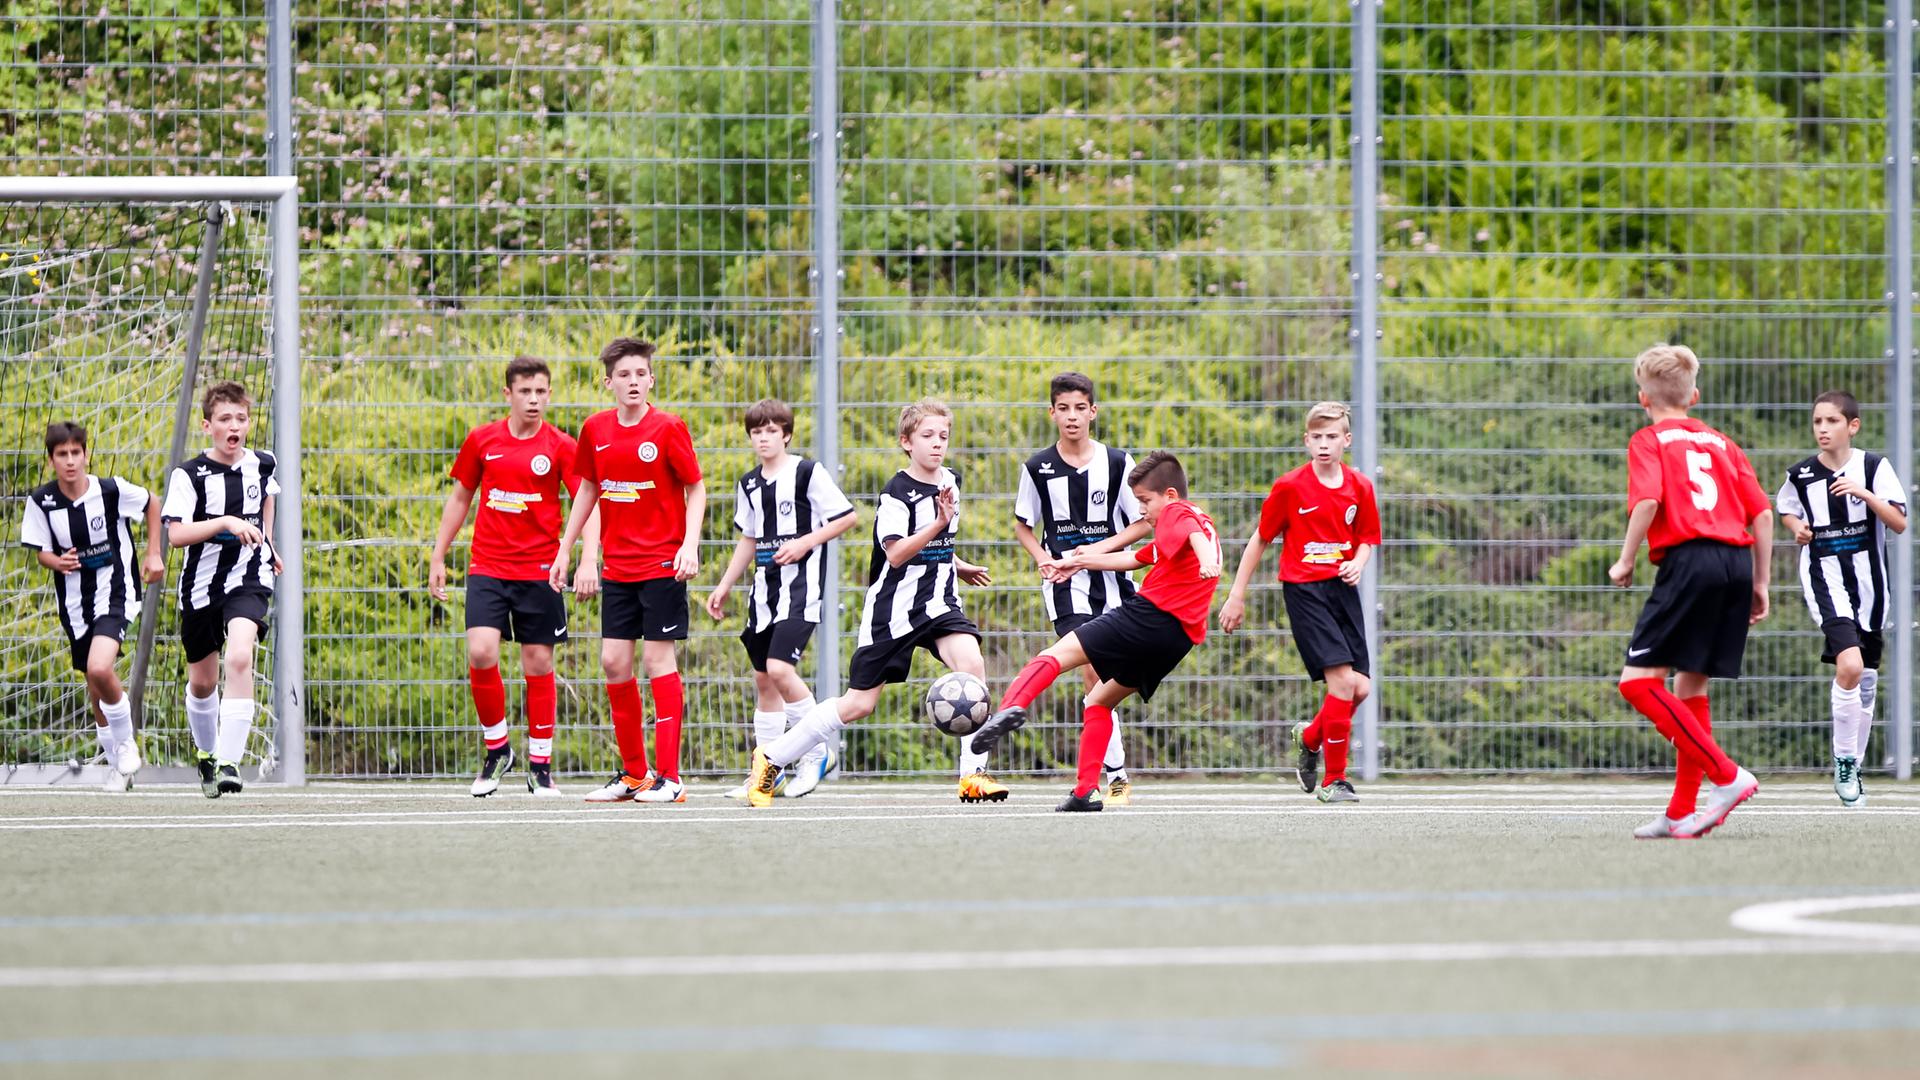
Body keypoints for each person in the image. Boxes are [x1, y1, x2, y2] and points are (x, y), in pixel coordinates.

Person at [741, 398, 1000, 808]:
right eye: (927, 436)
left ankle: (973, 775)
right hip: (892, 611)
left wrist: (959, 563)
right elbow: (896, 554)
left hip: (939, 603)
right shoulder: (895, 495)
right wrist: (937, 524)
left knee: (972, 667)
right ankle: (771, 757)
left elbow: (939, 544)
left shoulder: (951, 481)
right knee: (859, 703)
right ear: (906, 442)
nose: (937, 444)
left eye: (943, 436)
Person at [969, 451, 1221, 812]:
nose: (1142, 512)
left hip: (1148, 618)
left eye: (1145, 502)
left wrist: (1208, 561)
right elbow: (1136, 558)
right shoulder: (1201, 519)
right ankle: (1086, 791)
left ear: (1169, 495)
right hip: (1177, 639)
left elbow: (1191, 534)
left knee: (1053, 656)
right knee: (1099, 701)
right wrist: (1079, 562)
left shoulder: (1179, 514)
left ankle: (1010, 708)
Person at [1606, 344, 1768, 840]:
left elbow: (1649, 500)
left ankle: (1725, 775)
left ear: (1642, 398)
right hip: (1735, 562)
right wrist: (1761, 582)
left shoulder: (1650, 439)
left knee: (1637, 683)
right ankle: (1680, 811)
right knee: (1689, 687)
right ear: (1693, 395)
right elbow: (1760, 513)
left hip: (1690, 561)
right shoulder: (1722, 442)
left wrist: (1627, 557)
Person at [429, 356, 598, 797]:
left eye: (541, 391)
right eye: (525, 391)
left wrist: (583, 559)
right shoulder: (483, 441)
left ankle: (540, 765)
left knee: (538, 663)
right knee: (481, 651)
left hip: (540, 572)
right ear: (508, 394)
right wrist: (438, 556)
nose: (534, 399)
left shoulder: (561, 446)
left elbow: (587, 502)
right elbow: (461, 497)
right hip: (487, 566)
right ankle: (497, 748)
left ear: (549, 393)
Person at [550, 338, 705, 804]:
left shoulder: (668, 428)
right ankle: (634, 775)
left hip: (662, 564)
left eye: (641, 373)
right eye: (624, 375)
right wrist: (568, 552)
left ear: (651, 379)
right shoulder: (595, 430)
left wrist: (689, 546)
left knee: (658, 661)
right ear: (609, 383)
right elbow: (587, 491)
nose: (633, 381)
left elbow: (696, 489)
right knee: (614, 663)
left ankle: (670, 778)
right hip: (618, 567)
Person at [1218, 401, 1379, 803]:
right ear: (1307, 440)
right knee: (1342, 682)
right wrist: (1236, 595)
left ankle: (1309, 738)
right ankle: (1334, 781)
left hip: (1342, 592)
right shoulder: (1290, 486)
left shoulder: (1360, 486)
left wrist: (1357, 563)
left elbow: (1366, 540)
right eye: (1317, 437)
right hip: (1305, 591)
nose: (1324, 445)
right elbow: (1260, 539)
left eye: (1332, 437)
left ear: (1346, 440)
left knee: (1360, 689)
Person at [706, 398, 858, 798]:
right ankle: (764, 771)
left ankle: (815, 754)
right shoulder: (750, 484)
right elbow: (749, 539)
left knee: (779, 668)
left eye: (772, 430)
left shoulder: (808, 472)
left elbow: (847, 517)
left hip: (801, 589)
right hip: (763, 593)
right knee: (763, 680)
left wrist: (806, 541)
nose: (764, 438)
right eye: (757, 432)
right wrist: (724, 584)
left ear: (786, 434)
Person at [1012, 372, 1150, 804]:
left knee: (1107, 679)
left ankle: (1111, 773)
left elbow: (1144, 522)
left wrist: (1095, 552)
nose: (1072, 417)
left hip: (1116, 585)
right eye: (1063, 408)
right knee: (1095, 671)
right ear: (1052, 413)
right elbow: (1022, 526)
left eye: (1080, 408)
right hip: (1066, 590)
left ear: (1093, 412)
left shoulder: (1117, 463)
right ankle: (1116, 776)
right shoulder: (1037, 467)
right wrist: (1043, 559)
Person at [1775, 389, 1906, 807]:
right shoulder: (1802, 475)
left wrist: (1865, 495)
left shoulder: (1873, 467)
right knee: (1849, 665)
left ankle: (1854, 763)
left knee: (1864, 677)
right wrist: (1797, 528)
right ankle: (1844, 762)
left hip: (1871, 586)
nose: (1822, 429)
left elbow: (1900, 522)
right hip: (1825, 579)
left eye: (1831, 421)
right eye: (1817, 422)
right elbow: (1787, 508)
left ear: (1852, 426)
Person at [19, 421, 165, 792]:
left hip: (116, 591)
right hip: (74, 604)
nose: (70, 461)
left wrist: (152, 553)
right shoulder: (42, 501)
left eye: (75, 453)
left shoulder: (110, 490)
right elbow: (42, 554)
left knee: (101, 667)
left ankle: (127, 744)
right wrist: (58, 562)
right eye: (61, 455)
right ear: (51, 460)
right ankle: (118, 764)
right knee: (94, 686)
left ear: (86, 454)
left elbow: (152, 503)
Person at [162, 381, 283, 798]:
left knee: (240, 655)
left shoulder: (263, 464)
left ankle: (231, 762)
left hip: (248, 578)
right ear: (207, 425)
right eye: (225, 419)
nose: (235, 426)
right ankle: (208, 754)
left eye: (242, 418)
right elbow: (176, 535)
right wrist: (226, 522)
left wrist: (268, 543)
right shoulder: (189, 474)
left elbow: (267, 501)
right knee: (202, 682)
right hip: (200, 586)